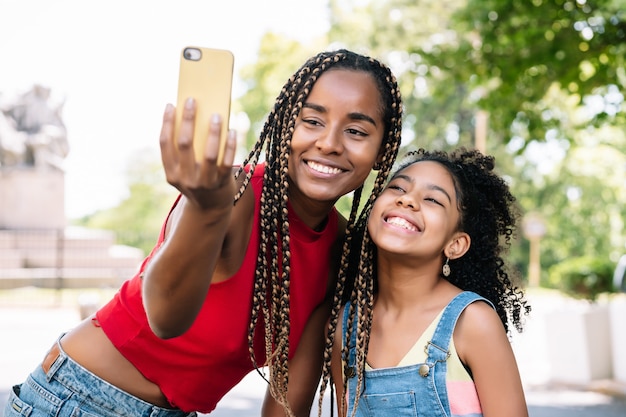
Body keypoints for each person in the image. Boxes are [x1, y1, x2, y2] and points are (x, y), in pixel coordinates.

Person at [3, 49, 403, 417]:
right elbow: (166, 317)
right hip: (79, 397)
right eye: (312, 121)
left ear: (382, 149)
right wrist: (206, 208)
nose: (329, 143)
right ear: (285, 124)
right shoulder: (229, 194)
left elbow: (287, 399)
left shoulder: (343, 252)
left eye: (356, 131)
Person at [318, 148, 531, 417]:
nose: (407, 200)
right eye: (397, 188)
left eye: (432, 199)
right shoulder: (343, 329)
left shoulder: (473, 323)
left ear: (455, 245)